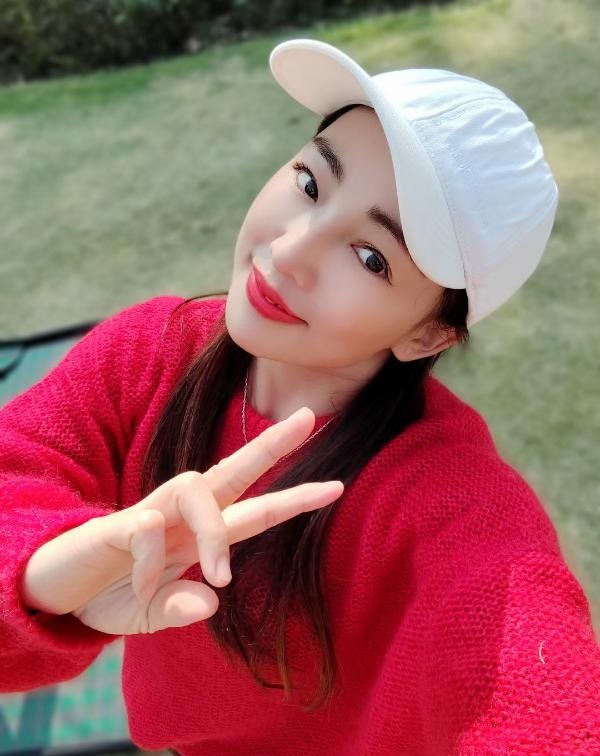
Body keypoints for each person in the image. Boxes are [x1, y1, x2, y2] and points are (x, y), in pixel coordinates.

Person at [0, 37, 598, 755]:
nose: (289, 252)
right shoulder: (147, 354)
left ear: (429, 335)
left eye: (371, 257)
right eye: (312, 183)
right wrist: (46, 574)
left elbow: (537, 683)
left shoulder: (451, 505)